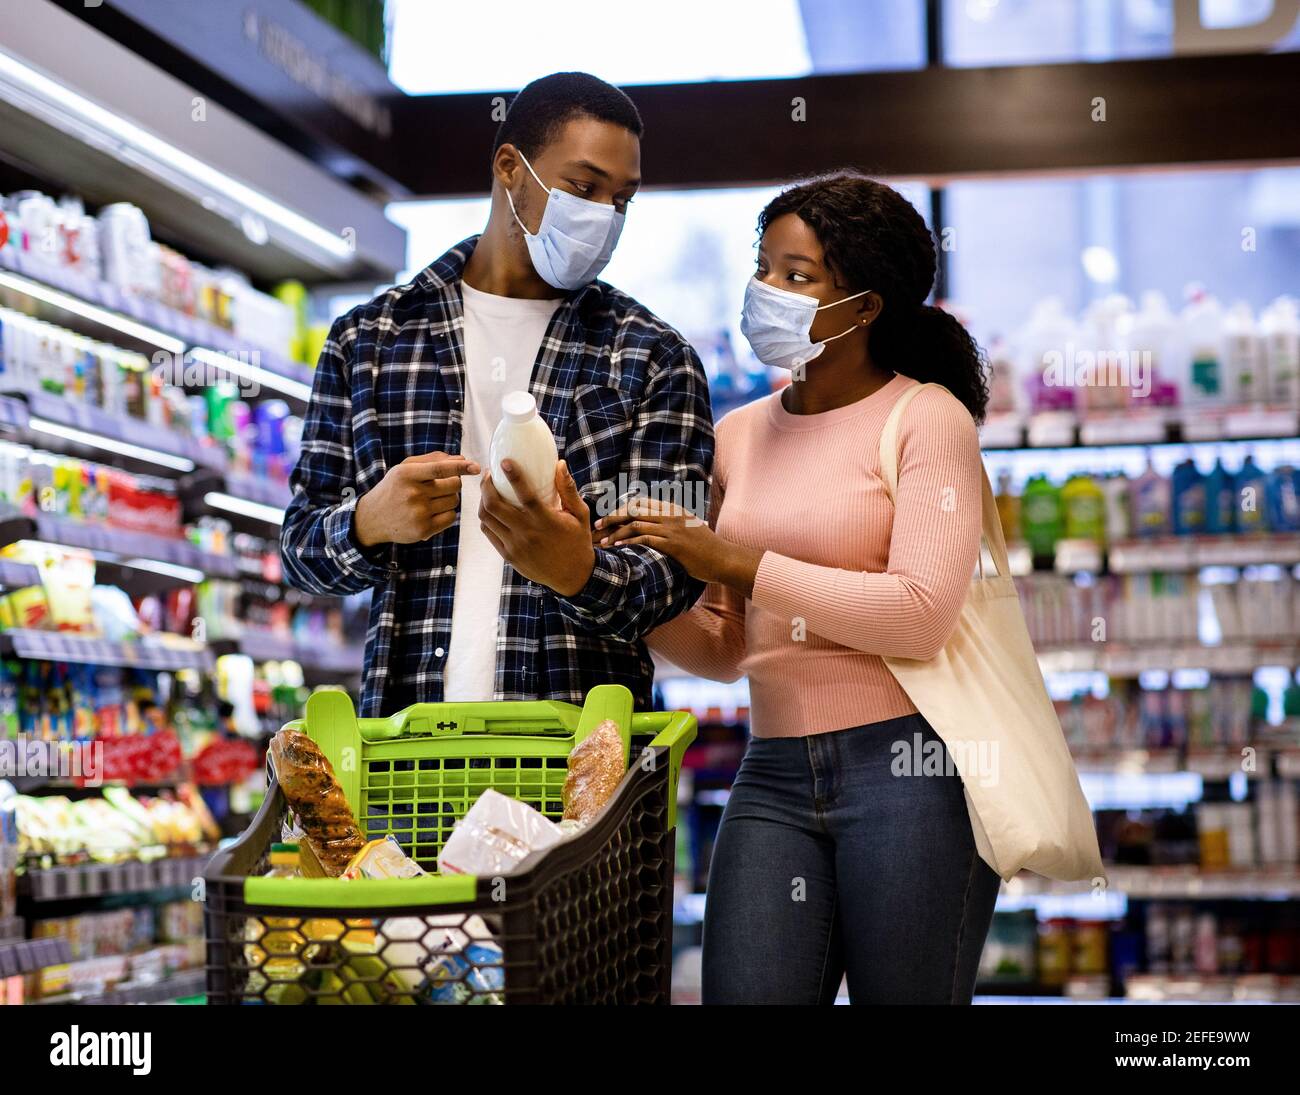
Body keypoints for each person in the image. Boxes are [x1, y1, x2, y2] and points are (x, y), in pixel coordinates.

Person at [595, 171, 999, 1004]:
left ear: (865, 306)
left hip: (909, 771)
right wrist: (598, 574)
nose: (765, 291)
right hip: (772, 770)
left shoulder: (927, 420)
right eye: (763, 266)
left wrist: (731, 557)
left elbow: (919, 613)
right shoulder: (737, 434)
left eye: (797, 275)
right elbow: (727, 647)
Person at [281, 72, 714, 716]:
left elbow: (676, 574)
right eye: (583, 187)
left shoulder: (653, 355)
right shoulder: (370, 340)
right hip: (406, 749)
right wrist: (369, 523)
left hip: (576, 764)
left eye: (621, 199)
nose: (603, 217)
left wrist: (577, 569)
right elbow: (301, 552)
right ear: (510, 168)